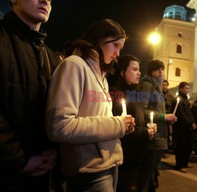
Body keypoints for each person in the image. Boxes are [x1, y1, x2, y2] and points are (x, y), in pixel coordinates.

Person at [46, 20, 135, 192]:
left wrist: (121, 126)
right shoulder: (74, 65)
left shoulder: (101, 77)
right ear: (99, 38)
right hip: (88, 168)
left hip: (109, 163)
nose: (117, 53)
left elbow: (100, 120)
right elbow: (60, 126)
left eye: (121, 48)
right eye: (115, 45)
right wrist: (117, 124)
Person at [0, 0, 60, 191]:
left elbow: (58, 111)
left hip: (44, 173)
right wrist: (19, 160)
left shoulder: (51, 57)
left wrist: (55, 150)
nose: (45, 1)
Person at [108, 54, 157, 192]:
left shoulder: (134, 91)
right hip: (126, 157)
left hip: (139, 153)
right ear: (122, 72)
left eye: (139, 69)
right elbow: (121, 128)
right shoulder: (115, 94)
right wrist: (144, 132)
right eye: (134, 69)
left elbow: (138, 116)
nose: (139, 73)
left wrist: (149, 125)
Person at [139, 60, 176, 191]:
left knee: (152, 171)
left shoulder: (157, 87)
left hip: (160, 134)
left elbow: (158, 110)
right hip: (153, 135)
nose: (161, 72)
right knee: (147, 172)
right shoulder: (147, 85)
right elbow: (142, 110)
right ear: (151, 71)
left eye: (162, 69)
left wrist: (167, 119)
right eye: (158, 69)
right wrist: (163, 117)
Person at [171, 82, 194, 173]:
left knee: (188, 145)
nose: (187, 90)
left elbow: (189, 112)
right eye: (186, 88)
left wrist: (192, 121)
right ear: (180, 89)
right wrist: (189, 122)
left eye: (188, 88)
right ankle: (179, 165)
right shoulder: (178, 99)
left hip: (187, 126)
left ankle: (185, 162)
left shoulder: (185, 99)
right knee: (181, 146)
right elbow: (181, 114)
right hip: (181, 127)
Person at [162, 80, 175, 151]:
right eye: (163, 84)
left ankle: (166, 147)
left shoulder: (171, 96)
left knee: (167, 132)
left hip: (168, 116)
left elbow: (173, 107)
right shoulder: (158, 94)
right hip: (161, 116)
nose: (164, 86)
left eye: (166, 85)